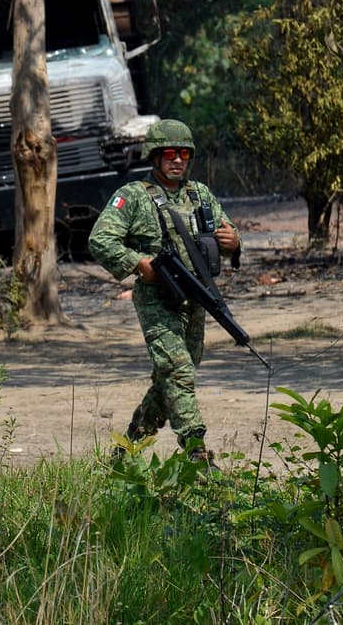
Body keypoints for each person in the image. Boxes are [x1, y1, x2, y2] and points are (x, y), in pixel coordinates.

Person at [87, 119, 241, 462]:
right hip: (157, 298)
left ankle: (124, 454)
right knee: (178, 370)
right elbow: (100, 240)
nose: (177, 160)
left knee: (170, 379)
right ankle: (195, 451)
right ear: (154, 157)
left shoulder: (200, 194)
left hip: (196, 297)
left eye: (184, 153)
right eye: (170, 153)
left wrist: (233, 241)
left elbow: (225, 234)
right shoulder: (133, 196)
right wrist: (140, 263)